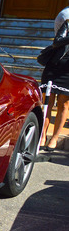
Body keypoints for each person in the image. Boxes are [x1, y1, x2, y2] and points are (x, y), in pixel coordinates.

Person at [41, 18, 69, 150]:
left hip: (68, 73)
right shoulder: (68, 23)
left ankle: (55, 138)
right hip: (54, 67)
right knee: (47, 102)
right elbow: (57, 42)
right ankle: (42, 135)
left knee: (63, 104)